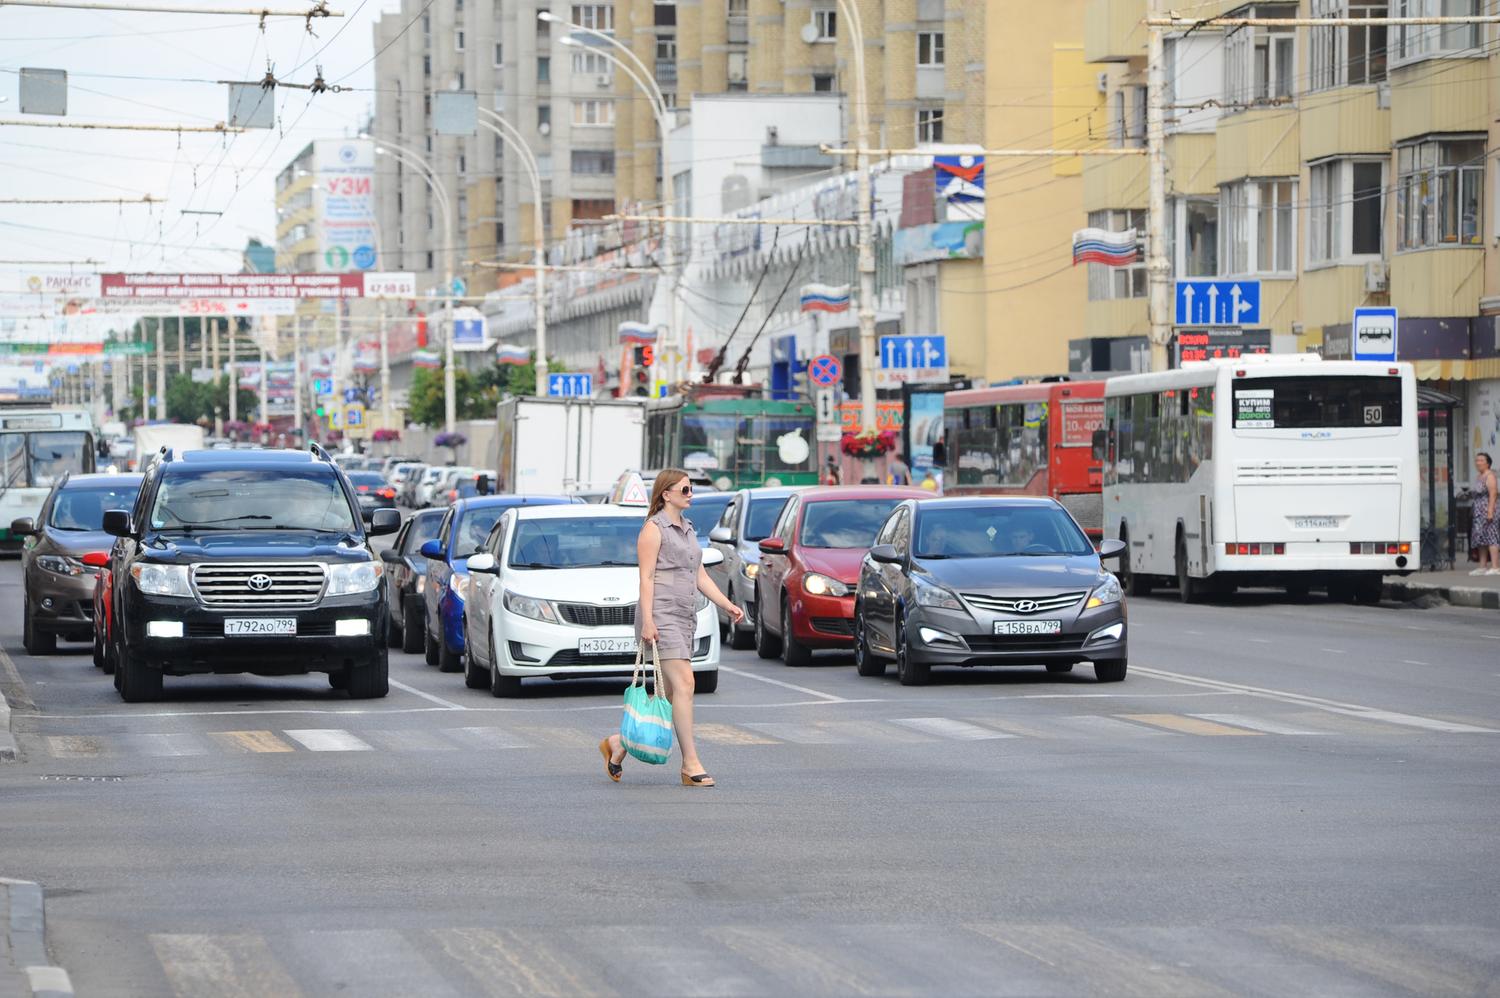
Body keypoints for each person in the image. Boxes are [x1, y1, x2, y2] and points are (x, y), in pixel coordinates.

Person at [600, 468, 744, 787]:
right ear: (667, 494)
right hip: (661, 614)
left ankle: (618, 744)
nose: (690, 494)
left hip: (683, 614)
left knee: (665, 695)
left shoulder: (688, 529)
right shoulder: (653, 529)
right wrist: (648, 620)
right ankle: (690, 763)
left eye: (691, 489)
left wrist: (727, 604)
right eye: (685, 489)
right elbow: (646, 577)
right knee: (686, 684)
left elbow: (700, 575)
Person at [1472, 451, 1499, 575]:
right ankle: (1482, 566)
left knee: (1491, 537)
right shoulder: (1479, 476)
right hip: (1478, 513)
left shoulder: (1490, 476)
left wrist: (1490, 512)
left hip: (1488, 510)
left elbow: (1493, 494)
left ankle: (1495, 567)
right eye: (1477, 460)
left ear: (1487, 463)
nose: (1478, 463)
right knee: (1481, 538)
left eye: (1481, 460)